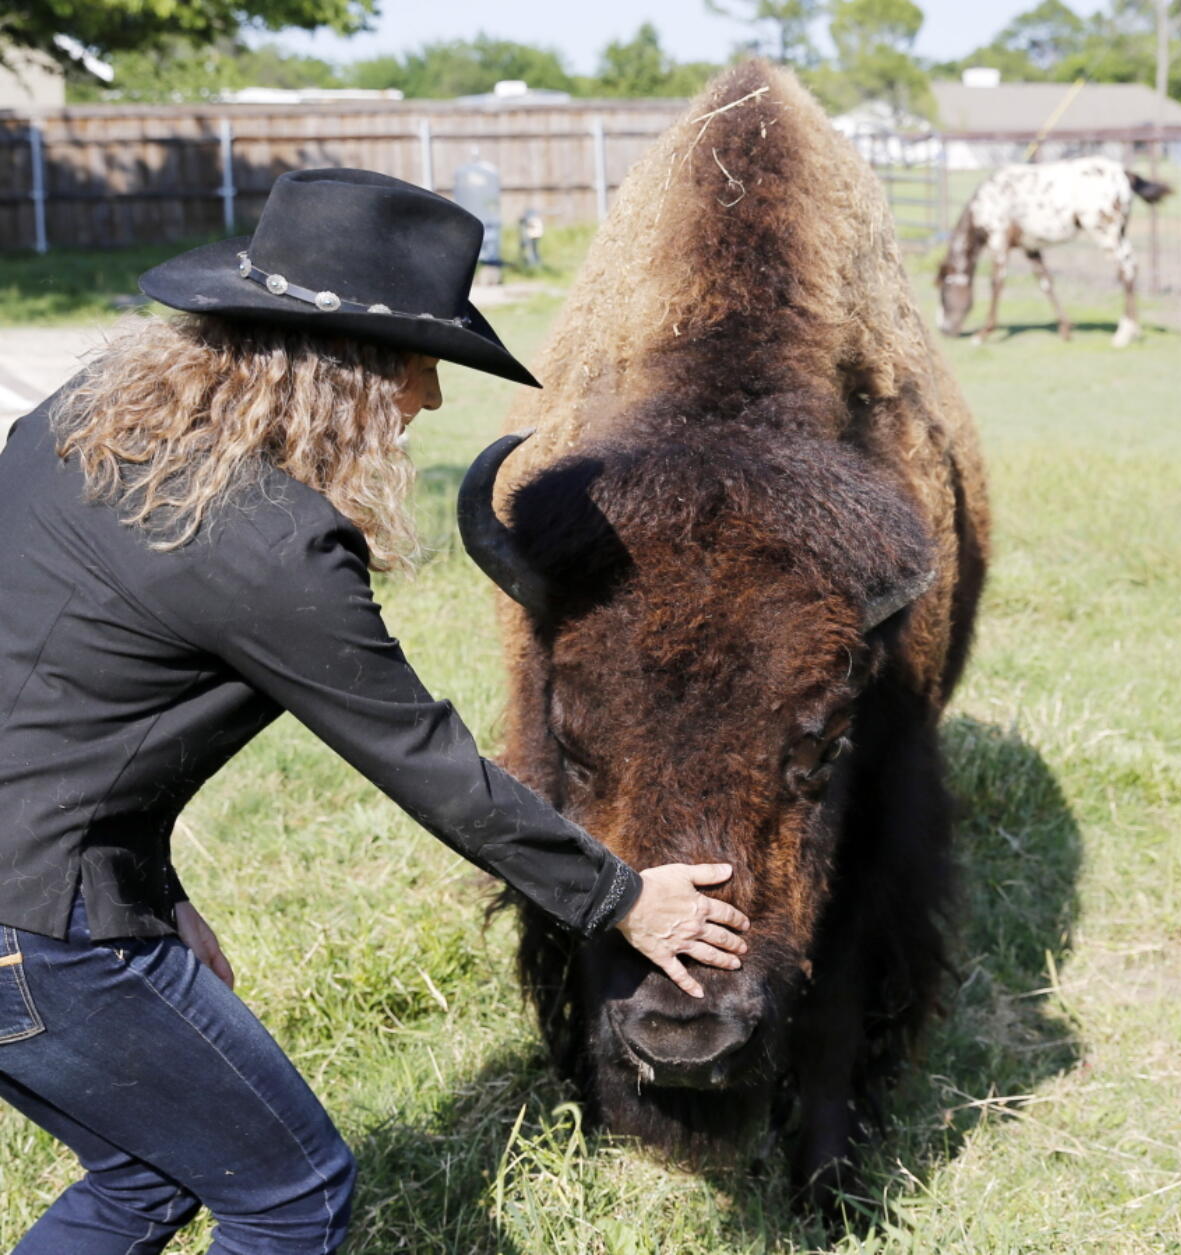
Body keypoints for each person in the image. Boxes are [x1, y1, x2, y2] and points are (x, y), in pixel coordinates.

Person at [0, 169, 750, 1254]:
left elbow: (58, 712)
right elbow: (428, 762)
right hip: (37, 934)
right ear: (342, 372)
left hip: (36, 898)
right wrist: (625, 900)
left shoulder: (68, 430)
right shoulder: (272, 541)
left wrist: (147, 891)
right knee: (292, 1193)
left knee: (145, 1177)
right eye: (418, 363)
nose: (430, 401)